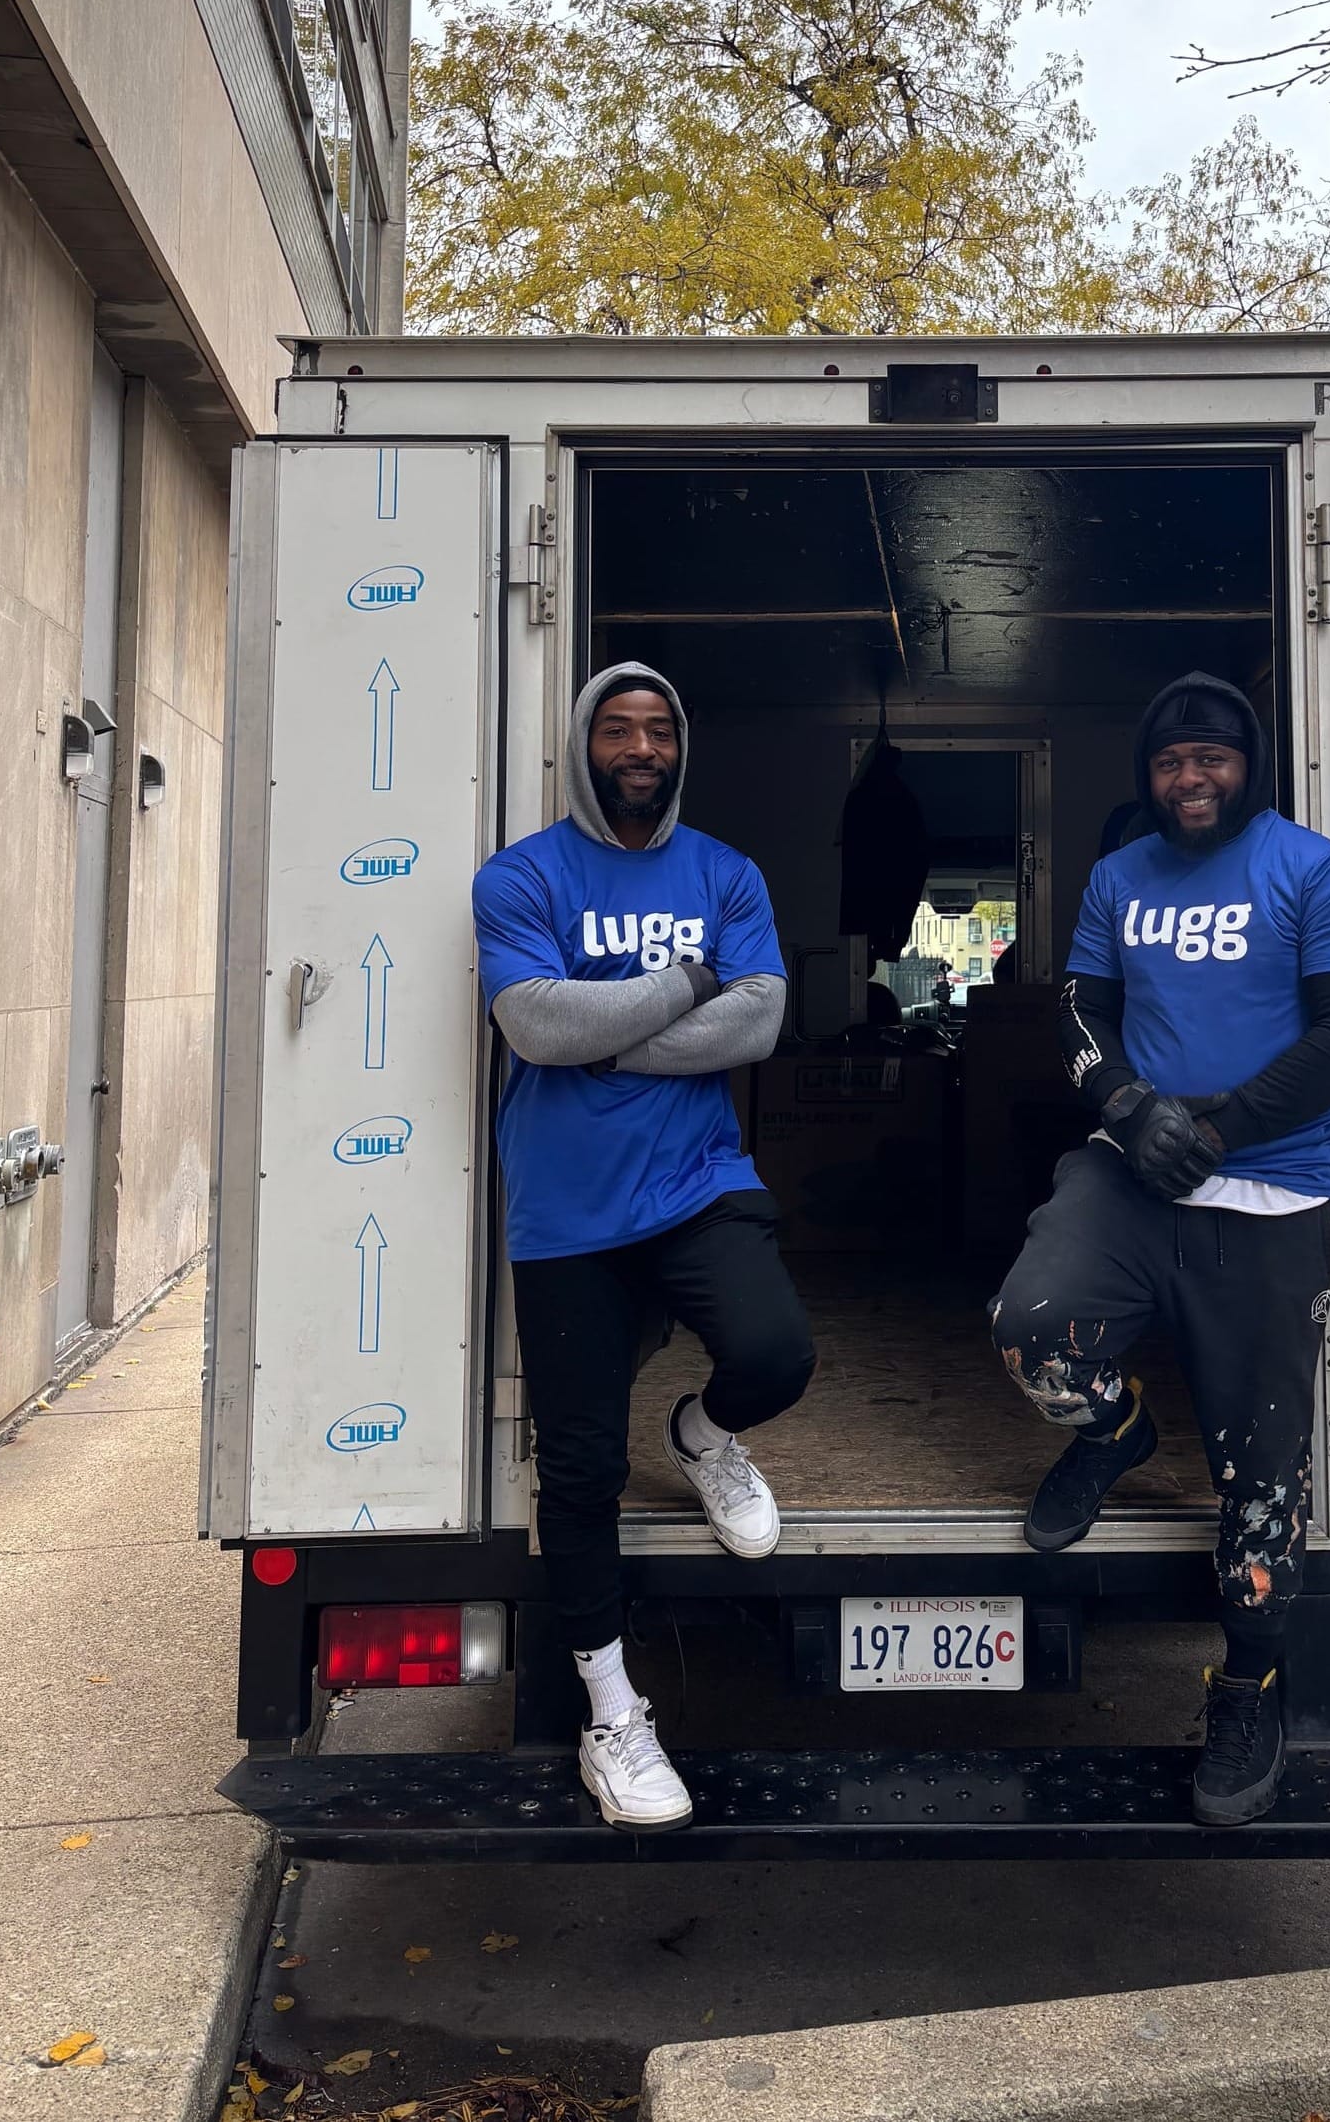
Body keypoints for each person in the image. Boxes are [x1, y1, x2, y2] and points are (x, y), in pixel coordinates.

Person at [989, 671, 1330, 1827]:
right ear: (1148, 777)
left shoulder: (1316, 872)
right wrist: (1125, 1107)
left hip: (1267, 1200)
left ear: (1246, 763)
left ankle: (1246, 1688)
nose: (1189, 777)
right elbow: (1076, 1007)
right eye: (1170, 761)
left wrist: (1215, 1128)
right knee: (1032, 1338)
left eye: (1210, 756)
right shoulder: (1121, 877)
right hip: (1131, 1180)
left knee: (1259, 1489)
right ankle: (1113, 1434)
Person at [472, 663, 814, 1832]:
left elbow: (761, 1017)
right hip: (565, 1215)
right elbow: (532, 1021)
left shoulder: (726, 870)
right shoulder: (519, 876)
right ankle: (613, 1717)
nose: (637, 745)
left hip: (693, 1183)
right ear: (582, 743)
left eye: (657, 729)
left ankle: (703, 1432)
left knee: (775, 1353)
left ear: (679, 748)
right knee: (577, 1473)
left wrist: (604, 1038)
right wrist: (679, 982)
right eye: (616, 727)